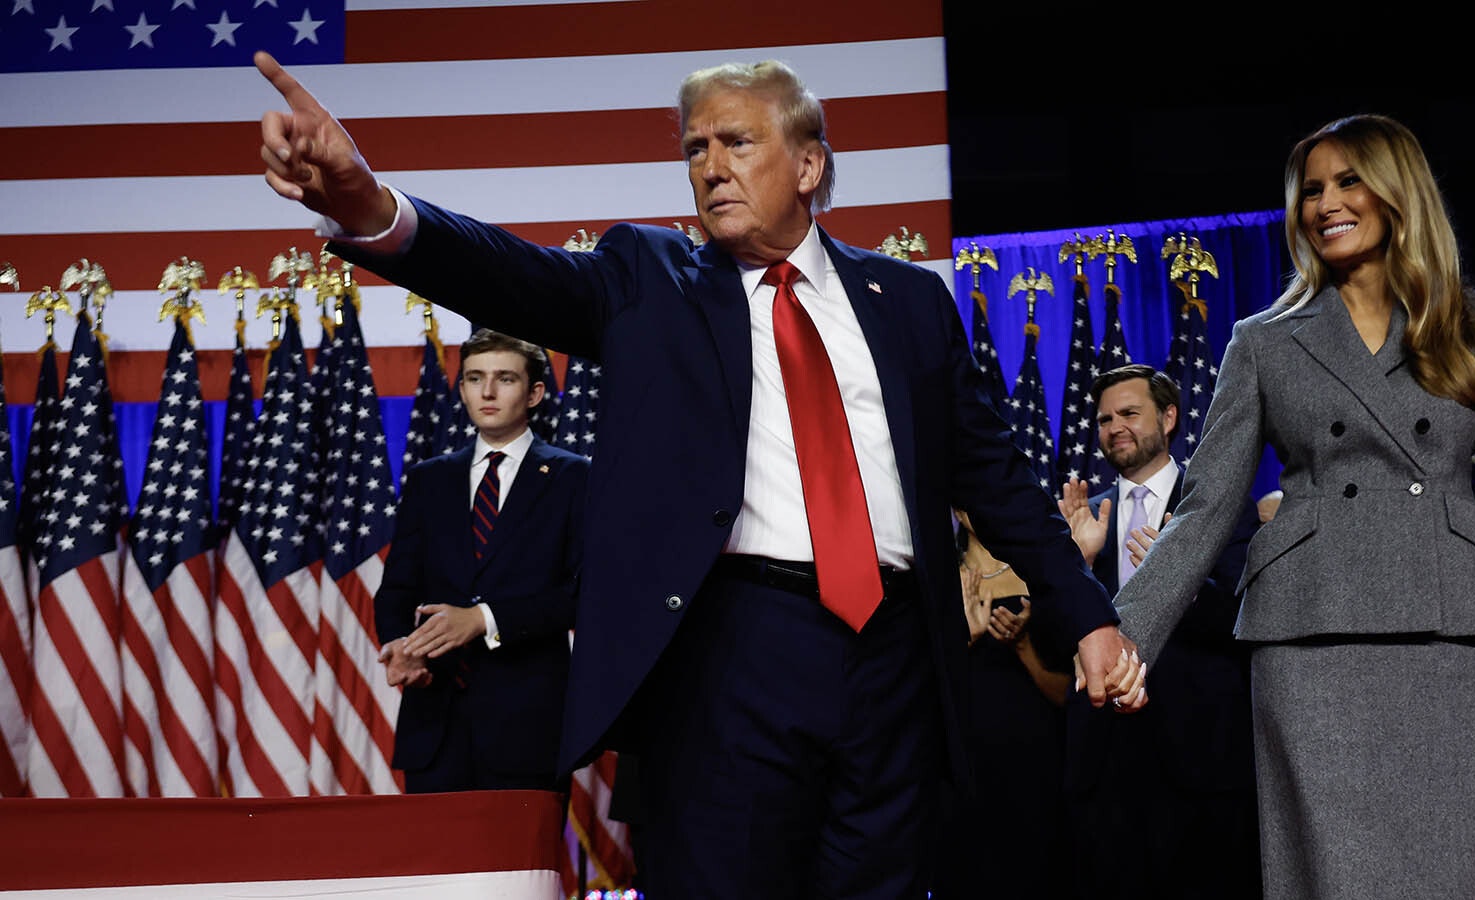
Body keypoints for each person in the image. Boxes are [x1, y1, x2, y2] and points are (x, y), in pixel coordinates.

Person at [253, 52, 1143, 898]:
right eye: (694, 149)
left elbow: (994, 479)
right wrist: (371, 205)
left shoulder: (906, 301)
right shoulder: (649, 279)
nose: (709, 166)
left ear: (808, 165)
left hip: (900, 661)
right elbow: (510, 276)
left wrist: (1089, 621)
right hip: (728, 657)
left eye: (736, 142)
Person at [1109, 114, 1475, 899]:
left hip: (1459, 639)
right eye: (1310, 189)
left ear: (1398, 192)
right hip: (1312, 641)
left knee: (1468, 874)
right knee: (1334, 877)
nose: (1325, 203)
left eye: (1347, 181)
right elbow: (1207, 507)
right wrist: (1124, 634)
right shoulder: (1263, 340)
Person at [1057, 364, 1260, 899]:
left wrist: (1185, 587)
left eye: (1128, 413)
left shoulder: (1217, 505)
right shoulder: (1080, 519)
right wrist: (1077, 567)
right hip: (1106, 763)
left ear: (1169, 417)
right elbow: (1058, 646)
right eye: (1103, 419)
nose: (1113, 427)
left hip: (1202, 759)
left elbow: (1250, 618)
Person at [374, 328, 588, 793]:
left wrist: (484, 619)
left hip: (527, 729)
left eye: (504, 379)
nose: (487, 392)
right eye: (474, 378)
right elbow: (396, 589)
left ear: (534, 393)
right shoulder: (430, 480)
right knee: (436, 865)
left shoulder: (575, 477)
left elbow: (584, 593)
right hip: (434, 721)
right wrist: (398, 646)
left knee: (520, 866)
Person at [931, 511, 1072, 898]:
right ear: (956, 509)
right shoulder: (935, 576)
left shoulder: (1045, 575)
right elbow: (912, 690)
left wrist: (1023, 646)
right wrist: (964, 642)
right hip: (962, 770)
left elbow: (1070, 694)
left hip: (1037, 769)